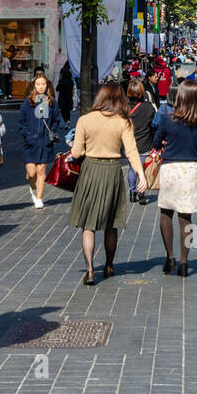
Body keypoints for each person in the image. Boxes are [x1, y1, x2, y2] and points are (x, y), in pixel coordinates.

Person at [68, 83, 147, 285]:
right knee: (112, 223)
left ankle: (90, 270)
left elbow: (76, 153)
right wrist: (141, 174)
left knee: (88, 224)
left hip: (90, 170)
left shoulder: (85, 120)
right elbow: (131, 151)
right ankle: (109, 265)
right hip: (112, 170)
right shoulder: (123, 122)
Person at [151, 81, 197, 276]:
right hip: (191, 169)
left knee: (166, 213)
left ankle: (170, 257)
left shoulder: (168, 119)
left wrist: (166, 141)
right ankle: (184, 262)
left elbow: (156, 141)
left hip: (170, 168)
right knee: (187, 217)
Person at [17, 73, 66, 209]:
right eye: (38, 84)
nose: (40, 87)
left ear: (47, 85)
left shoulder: (52, 102)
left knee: (42, 170)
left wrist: (52, 131)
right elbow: (21, 122)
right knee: (31, 173)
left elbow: (56, 119)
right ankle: (32, 187)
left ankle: (39, 197)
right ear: (34, 85)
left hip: (45, 142)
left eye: (43, 84)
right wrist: (27, 135)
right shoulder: (27, 103)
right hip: (30, 142)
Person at [125, 78, 157, 205]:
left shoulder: (124, 108)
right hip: (145, 143)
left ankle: (132, 192)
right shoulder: (148, 108)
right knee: (142, 169)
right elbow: (155, 124)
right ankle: (141, 192)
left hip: (129, 143)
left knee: (132, 168)